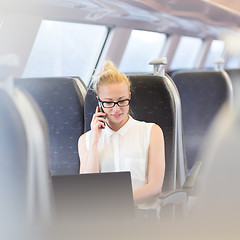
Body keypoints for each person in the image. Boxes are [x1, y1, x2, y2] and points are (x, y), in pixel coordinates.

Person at [78, 61, 165, 218]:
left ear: (129, 96)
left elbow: (155, 187)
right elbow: (86, 190)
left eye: (122, 101)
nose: (116, 109)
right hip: (101, 220)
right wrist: (95, 140)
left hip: (141, 216)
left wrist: (117, 203)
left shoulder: (151, 132)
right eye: (108, 103)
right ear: (99, 101)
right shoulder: (86, 140)